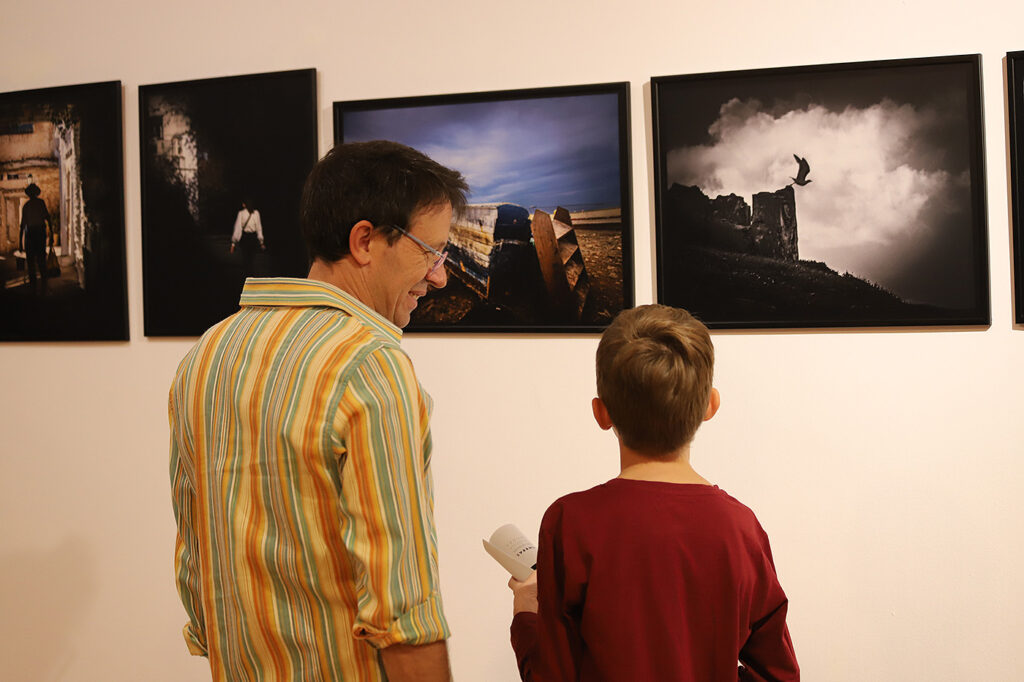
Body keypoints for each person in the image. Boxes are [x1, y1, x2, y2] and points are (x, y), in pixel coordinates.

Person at [169, 140, 467, 682]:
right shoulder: (371, 366)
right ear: (365, 241)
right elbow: (402, 608)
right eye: (432, 252)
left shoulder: (208, 354)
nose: (440, 276)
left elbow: (196, 565)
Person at [507, 304, 800, 681]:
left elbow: (553, 676)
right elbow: (778, 673)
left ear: (601, 413)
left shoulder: (570, 522)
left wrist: (526, 616)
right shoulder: (741, 528)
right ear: (710, 405)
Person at [19, 183, 51, 294]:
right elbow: (48, 219)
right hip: (39, 234)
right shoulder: (40, 203)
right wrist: (51, 234)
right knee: (41, 260)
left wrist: (20, 243)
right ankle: (43, 285)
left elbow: (22, 226)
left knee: (31, 262)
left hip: (31, 235)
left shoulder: (26, 206)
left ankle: (34, 287)